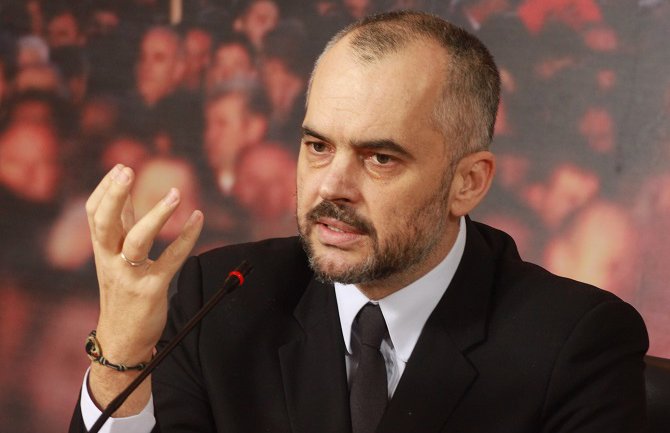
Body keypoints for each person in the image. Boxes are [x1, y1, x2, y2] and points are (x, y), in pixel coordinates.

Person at [70, 10, 648, 433]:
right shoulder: (220, 300)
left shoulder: (575, 344)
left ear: (468, 182)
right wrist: (121, 353)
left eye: (380, 158)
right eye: (318, 146)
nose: (331, 187)